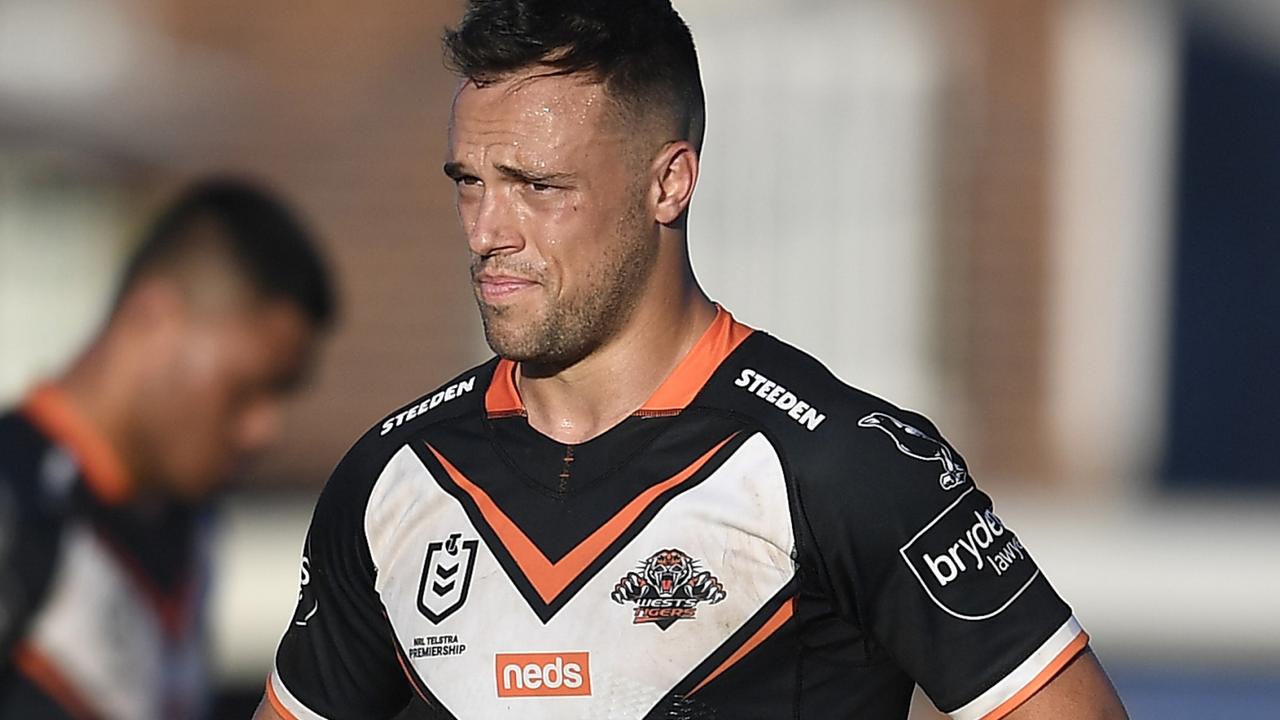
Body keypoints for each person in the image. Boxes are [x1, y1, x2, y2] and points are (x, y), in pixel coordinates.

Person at [257, 1, 1128, 718]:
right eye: (470, 183)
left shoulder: (840, 462)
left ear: (669, 182)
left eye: (538, 186)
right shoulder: (392, 478)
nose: (490, 233)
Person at [0, 177, 336, 719]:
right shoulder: (17, 500)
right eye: (246, 389)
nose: (263, 430)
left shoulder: (190, 525)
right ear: (153, 318)